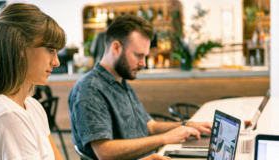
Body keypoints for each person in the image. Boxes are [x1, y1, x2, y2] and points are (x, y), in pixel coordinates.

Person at [68, 14, 212, 160]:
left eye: (145, 56)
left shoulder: (121, 83)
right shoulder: (90, 90)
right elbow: (105, 152)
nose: (143, 63)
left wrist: (188, 125)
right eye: (138, 55)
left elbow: (150, 126)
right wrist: (164, 138)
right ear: (116, 48)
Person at [0, 3, 66, 160]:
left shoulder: (32, 106)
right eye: (50, 50)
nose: (56, 62)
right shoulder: (8, 116)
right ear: (20, 46)